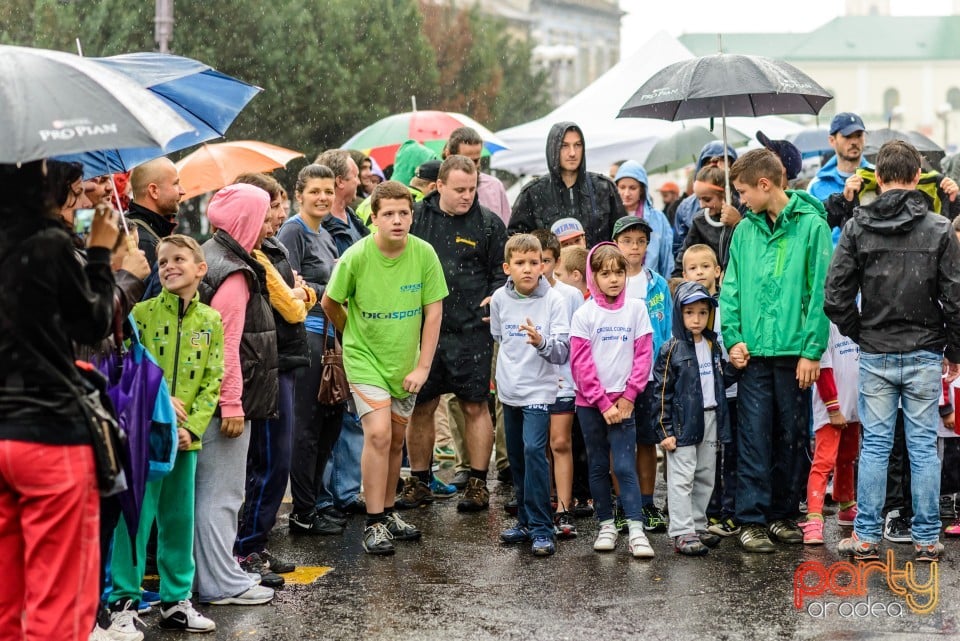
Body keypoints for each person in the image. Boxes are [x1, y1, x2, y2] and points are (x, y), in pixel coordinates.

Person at [825, 140, 960, 562]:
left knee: (876, 447)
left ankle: (866, 536)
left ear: (877, 178)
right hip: (922, 350)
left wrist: (860, 332)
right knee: (922, 448)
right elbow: (956, 299)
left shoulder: (857, 227)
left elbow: (834, 297)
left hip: (877, 350)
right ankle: (925, 538)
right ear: (918, 177)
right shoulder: (938, 228)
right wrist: (953, 351)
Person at [0, 160, 116, 641]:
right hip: (49, 433)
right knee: (58, 598)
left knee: (9, 594)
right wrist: (103, 257)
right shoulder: (48, 246)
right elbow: (92, 324)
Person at [322, 180, 447, 555]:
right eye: (388, 214)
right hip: (364, 361)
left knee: (394, 442)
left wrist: (423, 367)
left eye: (404, 213)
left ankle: (389, 510)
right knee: (377, 434)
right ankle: (373, 522)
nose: (397, 220)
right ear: (373, 218)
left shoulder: (424, 254)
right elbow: (330, 302)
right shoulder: (356, 257)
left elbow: (434, 312)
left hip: (404, 364)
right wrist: (353, 337)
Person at [107, 234, 222, 633]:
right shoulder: (138, 313)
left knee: (178, 519)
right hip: (144, 435)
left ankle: (176, 599)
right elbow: (130, 364)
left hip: (186, 442)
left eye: (178, 260)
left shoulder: (211, 320)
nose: (169, 267)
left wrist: (192, 427)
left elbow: (213, 379)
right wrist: (157, 398)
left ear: (200, 269)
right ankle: (124, 600)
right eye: (161, 262)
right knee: (134, 519)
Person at [721, 148, 832, 553]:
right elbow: (730, 288)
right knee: (752, 436)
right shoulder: (744, 232)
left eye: (743, 191)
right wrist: (732, 337)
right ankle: (752, 518)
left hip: (794, 354)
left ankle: (784, 514)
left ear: (765, 185)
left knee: (792, 435)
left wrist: (812, 350)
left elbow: (821, 292)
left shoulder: (812, 226)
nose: (740, 200)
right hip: (752, 354)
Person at [195, 183, 278, 605]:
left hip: (200, 398)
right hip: (223, 403)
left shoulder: (209, 256)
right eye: (262, 216)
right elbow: (226, 346)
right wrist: (232, 403)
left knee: (207, 493)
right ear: (246, 220)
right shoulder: (232, 273)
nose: (268, 224)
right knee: (222, 494)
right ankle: (220, 581)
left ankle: (207, 577)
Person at [233, 173, 313, 579]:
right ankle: (246, 548)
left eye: (278, 206)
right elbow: (295, 306)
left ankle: (256, 543)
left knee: (275, 461)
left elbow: (305, 293)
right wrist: (299, 295)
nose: (277, 215)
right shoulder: (253, 255)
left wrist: (300, 293)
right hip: (267, 364)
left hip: (283, 359)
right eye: (270, 208)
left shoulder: (272, 245)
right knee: (268, 461)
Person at [570, 243, 655, 558]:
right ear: (593, 276)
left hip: (625, 403)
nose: (614, 279)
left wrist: (629, 395)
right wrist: (602, 402)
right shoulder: (584, 314)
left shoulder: (636, 309)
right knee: (596, 464)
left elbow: (644, 354)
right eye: (605, 273)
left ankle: (635, 527)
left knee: (623, 464)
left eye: (619, 272)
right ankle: (606, 524)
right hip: (591, 405)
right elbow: (580, 364)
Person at [276, 165, 346, 536]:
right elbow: (291, 285)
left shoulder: (327, 235)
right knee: (306, 427)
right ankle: (302, 511)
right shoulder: (294, 230)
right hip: (308, 336)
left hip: (332, 338)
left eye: (328, 191)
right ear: (299, 193)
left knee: (329, 423)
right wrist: (332, 283)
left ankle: (315, 500)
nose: (322, 197)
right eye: (315, 191)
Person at [492, 234, 570, 556]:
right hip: (509, 390)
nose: (527, 269)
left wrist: (541, 342)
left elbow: (563, 352)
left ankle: (542, 527)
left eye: (533, 263)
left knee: (534, 450)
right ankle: (524, 522)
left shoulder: (554, 301)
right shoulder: (499, 298)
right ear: (507, 267)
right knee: (518, 457)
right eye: (520, 263)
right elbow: (499, 337)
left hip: (540, 391)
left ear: (543, 265)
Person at [653, 282, 735, 556]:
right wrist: (664, 429)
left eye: (702, 312)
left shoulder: (712, 345)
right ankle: (681, 530)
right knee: (682, 476)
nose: (697, 319)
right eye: (690, 313)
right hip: (683, 422)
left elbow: (721, 378)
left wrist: (736, 367)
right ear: (679, 314)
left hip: (710, 417)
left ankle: (698, 525)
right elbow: (661, 391)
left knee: (705, 475)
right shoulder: (671, 349)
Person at [314, 149, 371, 525]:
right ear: (340, 182)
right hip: (328, 331)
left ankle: (348, 492)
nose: (360, 182)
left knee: (352, 415)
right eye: (354, 176)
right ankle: (323, 497)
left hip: (357, 326)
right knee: (329, 413)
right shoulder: (310, 228)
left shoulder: (354, 220)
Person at [612, 216, 671, 532]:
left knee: (648, 443)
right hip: (617, 378)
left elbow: (668, 331)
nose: (634, 247)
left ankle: (646, 503)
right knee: (619, 445)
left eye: (641, 241)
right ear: (616, 244)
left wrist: (666, 370)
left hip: (651, 377)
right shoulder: (609, 282)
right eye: (627, 241)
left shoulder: (657, 284)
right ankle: (622, 505)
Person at [681, 244, 739, 538]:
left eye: (705, 266)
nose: (700, 272)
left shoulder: (727, 302)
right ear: (684, 273)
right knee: (704, 458)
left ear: (718, 271)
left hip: (729, 388)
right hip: (699, 397)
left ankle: (728, 510)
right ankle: (706, 511)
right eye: (693, 268)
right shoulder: (685, 312)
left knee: (729, 453)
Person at [530, 229, 583, 537]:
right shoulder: (518, 293)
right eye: (535, 261)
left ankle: (564, 507)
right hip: (532, 382)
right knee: (538, 446)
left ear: (555, 261)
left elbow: (576, 342)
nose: (540, 268)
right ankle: (543, 501)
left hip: (563, 380)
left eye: (546, 261)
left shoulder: (570, 295)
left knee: (560, 442)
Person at [509, 122, 625, 247]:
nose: (572, 153)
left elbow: (623, 236)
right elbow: (516, 244)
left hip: (596, 265)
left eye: (577, 145)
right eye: (564, 145)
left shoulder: (604, 188)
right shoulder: (533, 193)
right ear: (553, 149)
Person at [797, 321, 860, 545]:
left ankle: (846, 505)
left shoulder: (859, 317)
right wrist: (833, 408)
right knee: (823, 462)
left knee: (847, 458)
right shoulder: (825, 324)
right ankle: (814, 516)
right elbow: (823, 368)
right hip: (831, 409)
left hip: (854, 408)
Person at [126, 157, 186, 299]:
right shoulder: (143, 241)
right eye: (176, 184)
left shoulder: (142, 231)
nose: (182, 191)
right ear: (153, 190)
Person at [671, 165, 742, 277]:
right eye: (699, 199)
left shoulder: (744, 212)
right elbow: (681, 264)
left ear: (725, 194)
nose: (702, 205)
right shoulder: (700, 221)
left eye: (707, 199)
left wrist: (738, 223)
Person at [672, 141, 738, 256]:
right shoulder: (686, 208)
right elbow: (680, 249)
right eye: (709, 162)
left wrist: (738, 222)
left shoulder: (745, 202)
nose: (716, 168)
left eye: (723, 161)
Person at [613, 160, 674, 278]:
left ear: (642, 189)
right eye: (622, 187)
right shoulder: (610, 216)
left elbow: (667, 259)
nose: (626, 193)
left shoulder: (657, 218)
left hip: (652, 286)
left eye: (632, 188)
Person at [444, 126, 512, 224]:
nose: (471, 166)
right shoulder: (438, 187)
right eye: (465, 160)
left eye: (475, 160)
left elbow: (507, 229)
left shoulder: (494, 186)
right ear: (449, 156)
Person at [807, 112, 870, 202]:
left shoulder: (878, 177)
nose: (854, 141)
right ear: (832, 140)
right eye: (847, 136)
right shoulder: (817, 185)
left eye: (859, 135)